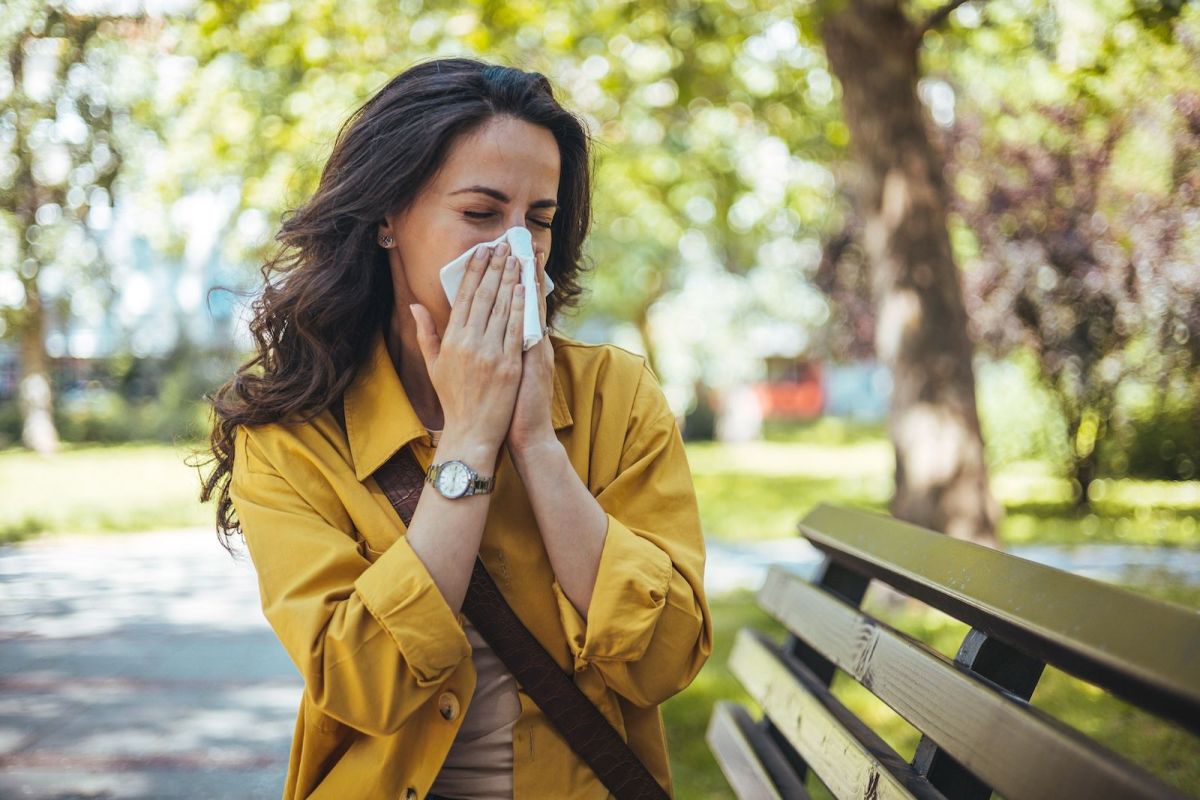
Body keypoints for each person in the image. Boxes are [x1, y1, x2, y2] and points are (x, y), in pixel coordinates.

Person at [200, 58, 712, 800]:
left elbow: (665, 661)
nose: (517, 248)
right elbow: (363, 683)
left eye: (538, 219)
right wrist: (468, 441)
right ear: (386, 220)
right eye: (480, 214)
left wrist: (536, 445)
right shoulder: (291, 438)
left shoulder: (617, 395)